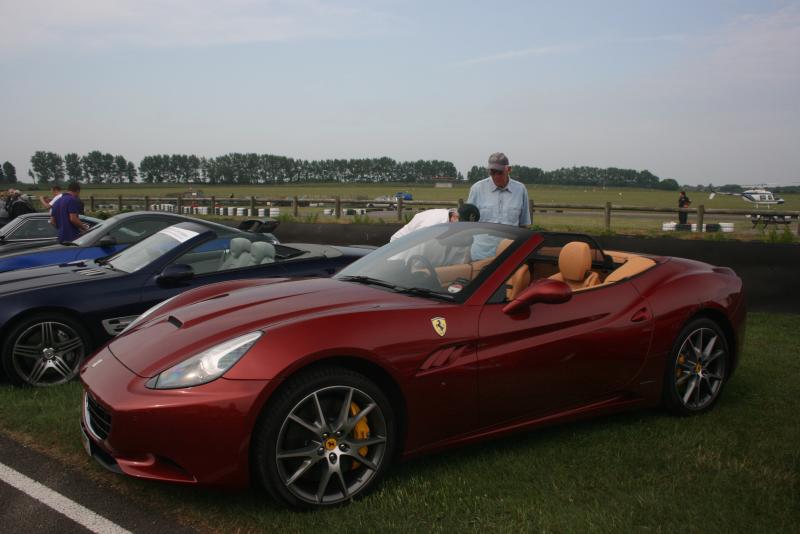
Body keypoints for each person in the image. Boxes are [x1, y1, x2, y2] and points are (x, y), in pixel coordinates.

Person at [468, 152, 531, 258]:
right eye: (492, 172)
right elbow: (467, 223)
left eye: (499, 172)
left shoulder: (520, 190)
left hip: (509, 256)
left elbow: (523, 225)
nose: (496, 176)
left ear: (508, 169)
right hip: (481, 255)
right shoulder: (477, 189)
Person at [390, 203, 480, 242]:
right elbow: (416, 245)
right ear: (454, 215)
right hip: (399, 246)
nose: (462, 229)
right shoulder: (434, 223)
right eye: (461, 224)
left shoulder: (451, 223)